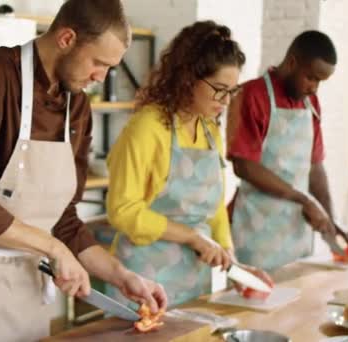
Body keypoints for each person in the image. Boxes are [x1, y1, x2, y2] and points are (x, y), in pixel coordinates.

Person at [0, 1, 167, 341]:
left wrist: (121, 275)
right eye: (98, 63)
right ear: (66, 38)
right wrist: (53, 249)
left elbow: (64, 220)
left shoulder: (78, 105)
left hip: (29, 287)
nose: (101, 76)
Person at [105, 21, 272, 307]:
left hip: (193, 282)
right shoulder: (148, 127)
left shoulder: (209, 131)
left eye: (231, 92)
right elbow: (122, 210)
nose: (226, 101)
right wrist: (193, 237)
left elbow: (215, 209)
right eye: (219, 89)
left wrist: (232, 261)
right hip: (142, 281)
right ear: (188, 77)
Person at [227, 30, 348, 271]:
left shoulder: (311, 103)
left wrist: (331, 220)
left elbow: (315, 166)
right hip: (256, 233)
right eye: (310, 77)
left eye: (320, 82)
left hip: (296, 233)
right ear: (292, 62)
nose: (314, 88)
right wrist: (304, 199)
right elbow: (243, 165)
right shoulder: (251, 95)